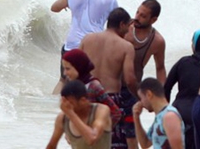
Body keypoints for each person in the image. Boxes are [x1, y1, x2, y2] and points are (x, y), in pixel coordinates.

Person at [79, 8, 138, 149]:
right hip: (110, 100)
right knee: (111, 143)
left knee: (87, 141)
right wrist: (139, 96)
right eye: (129, 26)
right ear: (122, 24)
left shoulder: (87, 39)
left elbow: (76, 70)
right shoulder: (126, 47)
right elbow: (129, 80)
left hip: (86, 97)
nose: (129, 30)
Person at [164, 31, 200, 149]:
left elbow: (167, 87)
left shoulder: (183, 62)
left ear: (194, 45)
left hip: (179, 112)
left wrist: (166, 111)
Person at [61, 49, 123, 126]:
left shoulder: (94, 86)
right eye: (64, 69)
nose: (65, 73)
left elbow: (116, 113)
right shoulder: (70, 85)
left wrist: (100, 131)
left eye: (68, 69)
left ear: (79, 67)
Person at [46, 80, 113, 149]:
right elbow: (51, 146)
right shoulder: (62, 118)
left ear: (83, 100)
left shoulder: (101, 110)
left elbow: (92, 138)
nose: (67, 106)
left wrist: (71, 114)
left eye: (71, 103)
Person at [133, 78, 184, 149]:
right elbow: (145, 144)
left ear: (149, 94)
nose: (141, 103)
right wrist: (136, 117)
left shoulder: (169, 116)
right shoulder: (160, 116)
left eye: (141, 98)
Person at [125, 0, 166, 85]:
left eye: (143, 16)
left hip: (133, 90)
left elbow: (160, 68)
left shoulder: (157, 41)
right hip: (111, 86)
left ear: (153, 20)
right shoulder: (124, 26)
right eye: (137, 12)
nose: (136, 17)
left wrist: (162, 94)